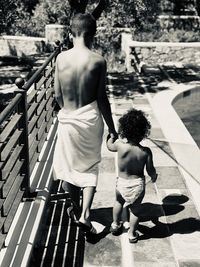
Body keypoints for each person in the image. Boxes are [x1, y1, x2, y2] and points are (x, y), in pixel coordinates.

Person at [53, 13, 117, 234]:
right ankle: (86, 214)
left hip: (68, 118)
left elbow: (56, 94)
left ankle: (76, 206)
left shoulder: (61, 59)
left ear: (71, 33)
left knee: (69, 166)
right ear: (93, 34)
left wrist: (68, 109)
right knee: (89, 167)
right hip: (90, 120)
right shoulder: (98, 61)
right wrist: (112, 127)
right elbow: (101, 98)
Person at [106, 108, 157, 243]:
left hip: (122, 182)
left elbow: (109, 146)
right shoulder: (146, 152)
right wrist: (154, 175)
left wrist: (111, 137)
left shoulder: (120, 146)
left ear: (124, 130)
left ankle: (115, 224)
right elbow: (150, 169)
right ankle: (132, 233)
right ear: (143, 133)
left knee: (118, 202)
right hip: (137, 185)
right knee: (136, 210)